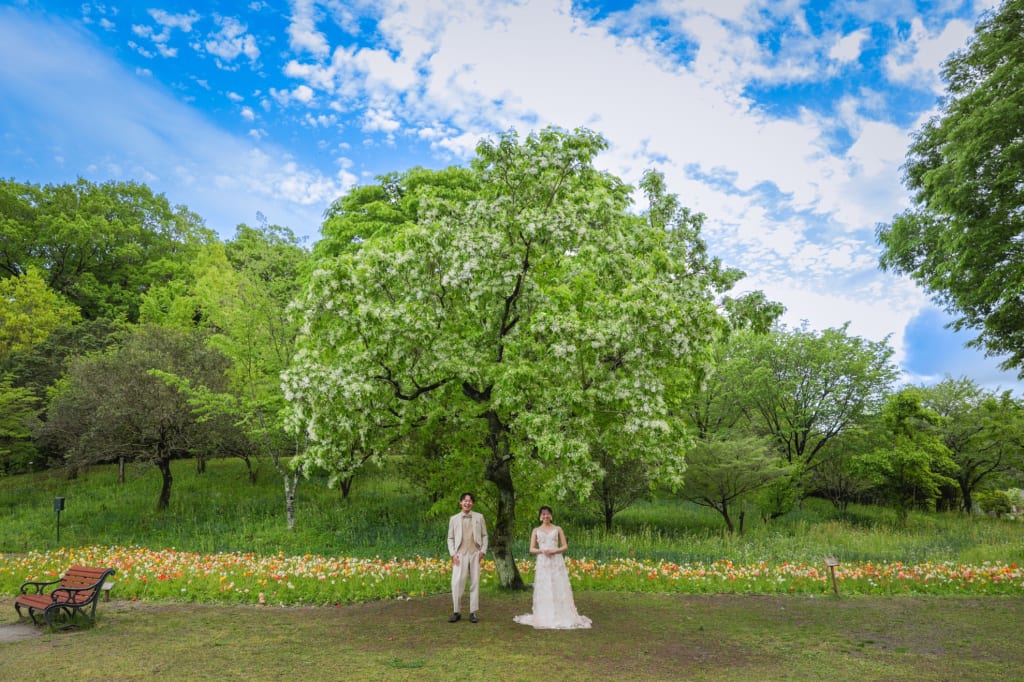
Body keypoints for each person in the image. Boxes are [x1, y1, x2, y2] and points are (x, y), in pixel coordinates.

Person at [513, 506, 592, 629]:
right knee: (544, 587)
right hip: (543, 561)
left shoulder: (558, 529)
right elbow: (531, 549)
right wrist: (542, 551)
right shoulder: (536, 530)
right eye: (543, 514)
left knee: (558, 585)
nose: (546, 516)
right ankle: (545, 615)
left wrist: (555, 551)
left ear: (551, 515)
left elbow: (565, 546)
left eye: (548, 514)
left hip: (556, 561)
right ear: (540, 516)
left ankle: (561, 613)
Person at [446, 492, 488, 623]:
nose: (467, 503)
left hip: (475, 553)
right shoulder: (454, 519)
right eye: (465, 500)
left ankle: (473, 612)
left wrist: (483, 551)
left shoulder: (479, 517)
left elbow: (485, 535)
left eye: (470, 501)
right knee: (457, 583)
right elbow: (450, 538)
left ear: (473, 503)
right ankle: (456, 611)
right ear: (460, 502)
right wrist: (453, 554)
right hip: (460, 554)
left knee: (474, 583)